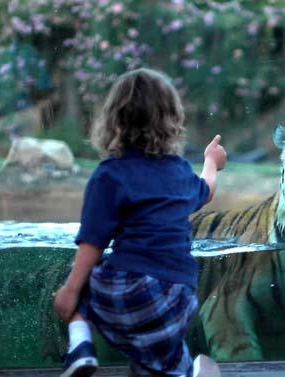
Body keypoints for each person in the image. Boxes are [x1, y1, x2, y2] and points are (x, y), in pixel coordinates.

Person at [53, 68, 227, 377]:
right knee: (164, 355)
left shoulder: (109, 175)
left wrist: (70, 288)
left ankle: (80, 347)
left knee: (81, 281)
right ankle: (185, 372)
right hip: (176, 299)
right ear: (172, 119)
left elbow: (92, 242)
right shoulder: (180, 172)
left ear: (113, 121)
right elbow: (207, 191)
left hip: (120, 294)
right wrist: (211, 162)